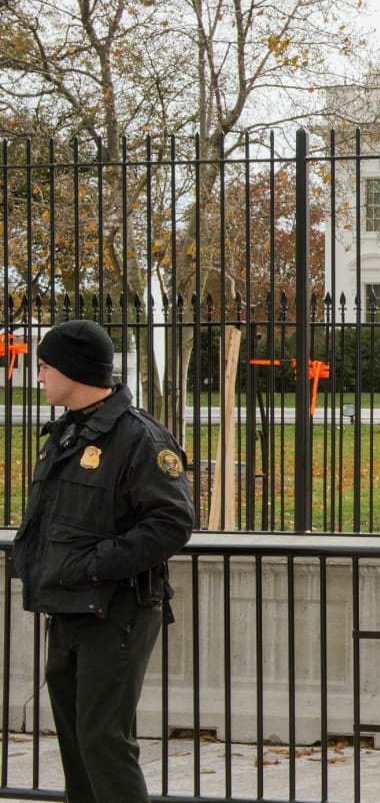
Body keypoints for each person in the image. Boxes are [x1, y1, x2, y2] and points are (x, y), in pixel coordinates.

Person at [11, 319, 194, 803]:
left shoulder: (139, 438)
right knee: (77, 746)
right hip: (68, 608)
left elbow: (171, 522)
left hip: (116, 611)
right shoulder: (68, 434)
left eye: (45, 366)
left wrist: (93, 565)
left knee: (104, 743)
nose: (39, 377)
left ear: (72, 369)